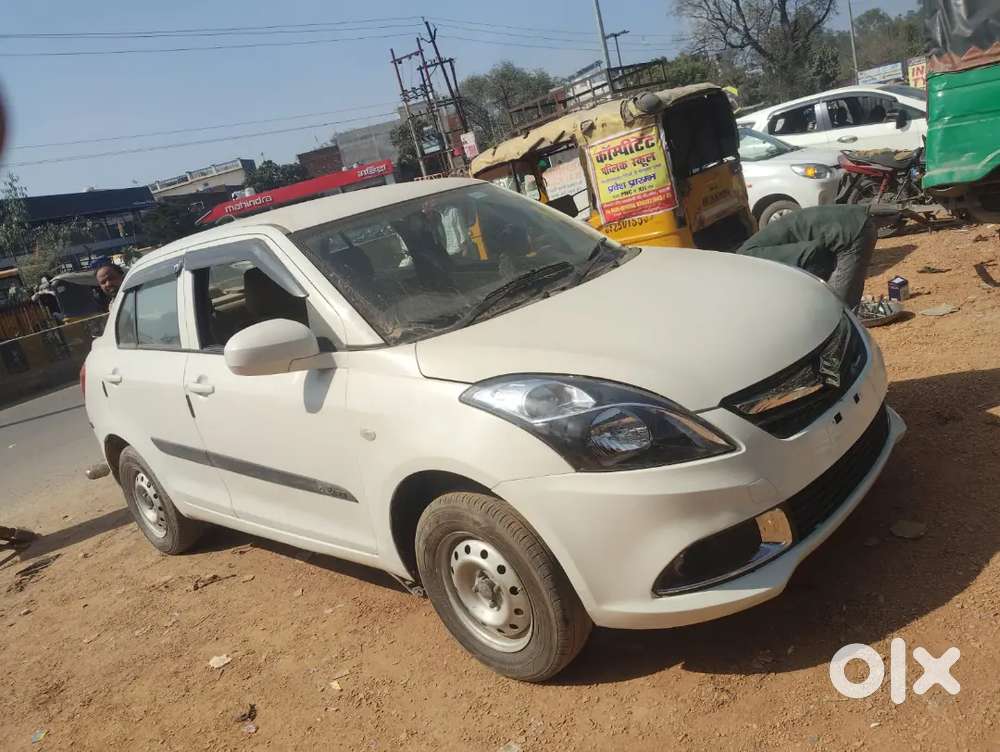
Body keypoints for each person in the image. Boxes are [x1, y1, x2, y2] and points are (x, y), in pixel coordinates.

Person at [738, 204, 878, 308]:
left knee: (837, 306)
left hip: (850, 232)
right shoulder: (750, 257)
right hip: (851, 224)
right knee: (837, 300)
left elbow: (811, 253)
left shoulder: (753, 257)